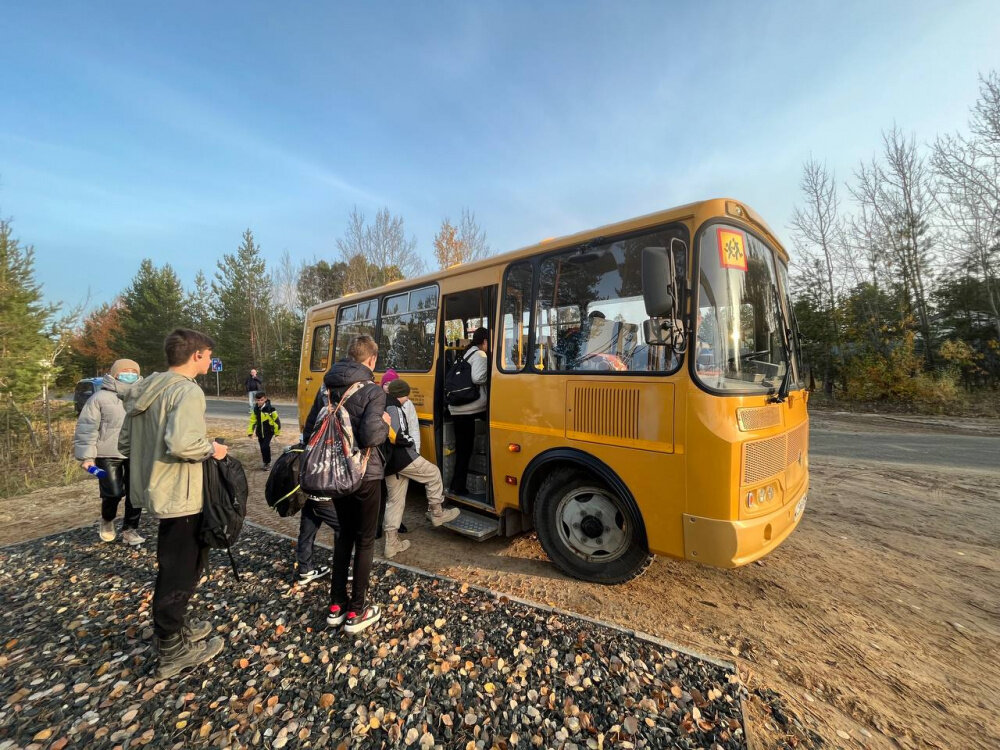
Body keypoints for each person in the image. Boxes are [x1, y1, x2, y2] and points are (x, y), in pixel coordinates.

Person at [118, 329, 226, 679]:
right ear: (196, 355)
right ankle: (172, 647)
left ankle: (176, 627)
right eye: (209, 354)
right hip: (182, 495)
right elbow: (182, 443)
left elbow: (124, 444)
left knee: (174, 561)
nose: (210, 361)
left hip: (157, 491)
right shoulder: (186, 391)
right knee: (181, 567)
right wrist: (212, 449)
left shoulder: (145, 390)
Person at [302, 334, 389, 634]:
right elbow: (370, 436)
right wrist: (386, 425)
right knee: (365, 541)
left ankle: (336, 605)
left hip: (333, 476)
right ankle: (357, 611)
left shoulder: (325, 388)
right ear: (371, 360)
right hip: (365, 476)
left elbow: (307, 433)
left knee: (343, 536)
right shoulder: (373, 391)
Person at [382, 379, 460, 558]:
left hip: (388, 463)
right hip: (401, 457)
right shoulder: (394, 407)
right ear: (403, 394)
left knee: (395, 501)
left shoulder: (383, 404)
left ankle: (391, 544)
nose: (408, 398)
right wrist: (408, 441)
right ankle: (437, 513)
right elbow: (396, 435)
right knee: (433, 473)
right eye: (406, 394)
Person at [73, 358, 145, 546]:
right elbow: (87, 428)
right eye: (125, 371)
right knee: (113, 493)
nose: (130, 374)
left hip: (137, 453)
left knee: (136, 494)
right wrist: (87, 456)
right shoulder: (99, 398)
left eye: (133, 371)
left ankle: (130, 529)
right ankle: (107, 520)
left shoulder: (144, 396)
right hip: (107, 454)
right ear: (114, 374)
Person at [447, 327, 489, 495]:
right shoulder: (479, 355)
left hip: (459, 409)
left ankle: (457, 485)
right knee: (465, 451)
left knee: (462, 450)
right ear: (485, 341)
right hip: (471, 408)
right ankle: (458, 487)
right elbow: (478, 378)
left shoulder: (466, 353)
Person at [247, 391, 281, 470]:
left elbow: (276, 421)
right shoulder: (255, 410)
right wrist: (250, 432)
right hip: (259, 432)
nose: (260, 402)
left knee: (265, 446)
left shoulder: (271, 409)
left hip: (269, 432)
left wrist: (277, 433)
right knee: (262, 448)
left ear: (265, 399)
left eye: (261, 400)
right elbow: (252, 421)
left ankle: (267, 463)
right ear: (256, 400)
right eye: (258, 400)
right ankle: (265, 462)